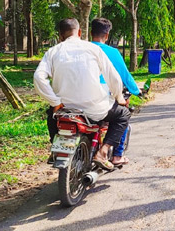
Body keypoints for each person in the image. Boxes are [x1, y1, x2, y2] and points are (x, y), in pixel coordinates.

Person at [34, 18, 130, 170]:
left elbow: (38, 77)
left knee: (51, 116)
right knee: (122, 115)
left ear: (60, 35)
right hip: (95, 109)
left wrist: (55, 101)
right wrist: (119, 98)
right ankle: (103, 152)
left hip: (65, 109)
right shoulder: (93, 49)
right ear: (79, 32)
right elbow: (114, 78)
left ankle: (57, 150)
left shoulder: (52, 51)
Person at [90, 18, 141, 166]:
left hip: (75, 98)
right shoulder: (111, 52)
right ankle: (116, 155)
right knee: (123, 113)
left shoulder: (82, 49)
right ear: (107, 35)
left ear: (90, 32)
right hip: (102, 98)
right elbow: (124, 75)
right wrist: (136, 91)